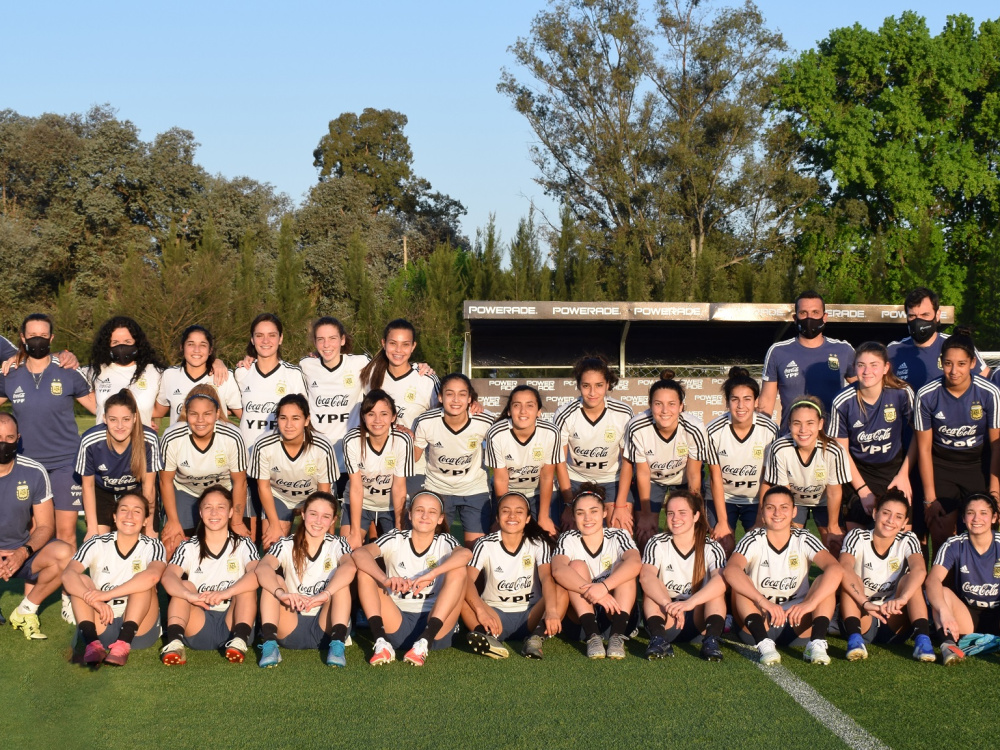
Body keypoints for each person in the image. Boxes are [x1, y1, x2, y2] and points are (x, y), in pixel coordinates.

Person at [0, 314, 96, 558]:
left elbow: (101, 409)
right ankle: (35, 592)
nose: (38, 341)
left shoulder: (68, 370)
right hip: (27, 465)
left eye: (43, 336)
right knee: (34, 532)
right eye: (32, 336)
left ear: (52, 338)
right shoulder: (10, 374)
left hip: (65, 465)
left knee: (66, 533)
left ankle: (68, 593)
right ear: (23, 338)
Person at [723, 485, 843, 666]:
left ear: (794, 511)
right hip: (759, 621)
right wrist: (764, 602)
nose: (777, 513)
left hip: (797, 623)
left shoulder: (804, 538)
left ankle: (817, 643)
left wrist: (809, 604)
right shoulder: (753, 539)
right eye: (770, 507)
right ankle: (764, 644)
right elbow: (731, 570)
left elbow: (835, 568)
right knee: (741, 582)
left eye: (784, 507)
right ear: (762, 513)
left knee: (823, 581)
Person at [352, 491, 471, 667]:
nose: (425, 516)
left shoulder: (444, 541)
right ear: (409, 514)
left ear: (440, 518)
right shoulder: (396, 538)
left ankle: (424, 643)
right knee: (365, 572)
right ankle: (381, 642)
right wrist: (384, 579)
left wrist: (431, 574)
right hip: (397, 620)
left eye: (432, 512)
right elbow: (360, 553)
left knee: (459, 570)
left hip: (436, 625)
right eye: (419, 510)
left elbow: (466, 554)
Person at [914, 330, 1000, 550]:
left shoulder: (989, 393)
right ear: (941, 362)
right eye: (948, 363)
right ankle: (945, 584)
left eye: (961, 364)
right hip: (942, 465)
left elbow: (996, 446)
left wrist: (995, 492)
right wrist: (929, 498)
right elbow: (924, 449)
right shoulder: (926, 395)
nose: (954, 371)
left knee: (980, 532)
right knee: (941, 531)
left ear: (972, 363)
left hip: (978, 465)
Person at [159, 485, 260, 665]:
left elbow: (258, 574)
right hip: (199, 625)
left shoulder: (243, 543)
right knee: (186, 586)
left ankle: (239, 642)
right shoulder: (188, 547)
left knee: (246, 586)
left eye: (220, 507)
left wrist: (226, 593)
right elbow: (168, 577)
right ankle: (175, 643)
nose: (214, 513)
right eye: (208, 507)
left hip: (234, 624)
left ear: (230, 512)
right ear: (200, 512)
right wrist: (190, 595)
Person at [61, 493, 165, 665]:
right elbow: (68, 575)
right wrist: (96, 602)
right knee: (82, 580)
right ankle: (92, 644)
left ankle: (123, 644)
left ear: (146, 520)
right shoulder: (96, 542)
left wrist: (105, 595)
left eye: (137, 511)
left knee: (143, 581)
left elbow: (153, 576)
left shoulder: (153, 545)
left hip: (140, 630)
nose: (129, 516)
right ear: (115, 517)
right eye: (124, 510)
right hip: (102, 620)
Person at [255, 491, 356, 668]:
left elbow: (350, 567)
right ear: (303, 514)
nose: (318, 521)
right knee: (275, 580)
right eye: (313, 514)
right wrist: (282, 595)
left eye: (325, 516)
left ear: (333, 521)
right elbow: (262, 568)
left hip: (326, 627)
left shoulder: (337, 544)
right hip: (291, 625)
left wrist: (325, 595)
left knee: (341, 581)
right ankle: (270, 645)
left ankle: (338, 644)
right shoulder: (286, 544)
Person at [462, 491, 565, 659]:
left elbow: (546, 578)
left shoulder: (538, 543)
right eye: (505, 511)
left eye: (519, 511)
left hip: (531, 614)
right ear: (497, 517)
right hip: (494, 615)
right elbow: (466, 581)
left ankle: (536, 638)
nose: (512, 516)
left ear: (527, 518)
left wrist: (552, 611)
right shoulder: (485, 544)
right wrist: (481, 611)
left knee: (561, 589)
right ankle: (485, 636)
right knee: (460, 591)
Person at [0, 413, 73, 639]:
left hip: (20, 551)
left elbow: (45, 526)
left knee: (66, 553)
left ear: (18, 438)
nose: (3, 443)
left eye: (9, 437)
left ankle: (26, 609)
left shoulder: (33, 471)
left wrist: (23, 552)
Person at [838, 490, 933, 662]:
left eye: (898, 517)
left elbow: (920, 570)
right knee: (850, 577)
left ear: (905, 522)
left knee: (910, 579)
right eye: (886, 513)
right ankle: (854, 639)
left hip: (893, 617)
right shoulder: (857, 536)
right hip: (863, 615)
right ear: (875, 513)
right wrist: (865, 603)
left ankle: (923, 641)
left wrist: (902, 599)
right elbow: (844, 567)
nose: (890, 521)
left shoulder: (908, 539)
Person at [233, 313, 307, 534]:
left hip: (277, 466)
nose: (266, 341)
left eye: (272, 335)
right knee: (248, 535)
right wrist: (217, 362)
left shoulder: (293, 374)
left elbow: (303, 418)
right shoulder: (240, 372)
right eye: (260, 335)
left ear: (281, 338)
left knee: (272, 537)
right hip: (246, 462)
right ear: (252, 339)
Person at [829, 343, 915, 530]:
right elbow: (841, 451)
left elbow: (920, 436)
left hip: (894, 471)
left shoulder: (902, 393)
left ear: (885, 368)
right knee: (856, 541)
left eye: (874, 365)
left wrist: (903, 475)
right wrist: (862, 490)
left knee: (900, 536)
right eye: (861, 365)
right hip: (858, 473)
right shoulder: (843, 401)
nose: (867, 371)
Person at [551, 484, 641, 660]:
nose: (587, 518)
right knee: (575, 565)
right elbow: (558, 569)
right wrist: (594, 591)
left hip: (616, 616)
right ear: (574, 516)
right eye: (580, 513)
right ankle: (593, 636)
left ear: (605, 513)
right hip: (581, 624)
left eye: (593, 511)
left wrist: (605, 587)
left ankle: (617, 637)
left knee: (622, 567)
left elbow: (635, 563)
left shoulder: (618, 535)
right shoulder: (568, 538)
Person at [619, 373, 708, 546]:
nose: (665, 411)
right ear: (650, 405)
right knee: (645, 531)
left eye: (672, 404)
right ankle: (648, 569)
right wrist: (645, 515)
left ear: (681, 406)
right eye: (658, 404)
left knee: (690, 529)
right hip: (652, 479)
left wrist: (693, 508)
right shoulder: (637, 426)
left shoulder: (694, 428)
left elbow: (694, 474)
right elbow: (643, 474)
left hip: (683, 480)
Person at [159, 385, 248, 557]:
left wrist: (236, 521)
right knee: (172, 543)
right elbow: (165, 481)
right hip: (186, 490)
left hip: (223, 491)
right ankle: (178, 582)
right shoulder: (172, 437)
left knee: (238, 542)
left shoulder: (232, 436)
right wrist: (173, 520)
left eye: (207, 414)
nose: (200, 420)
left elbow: (240, 481)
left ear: (217, 413)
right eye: (194, 414)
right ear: (186, 413)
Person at [640, 490, 727, 661]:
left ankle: (711, 640)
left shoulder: (711, 547)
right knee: (651, 589)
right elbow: (646, 576)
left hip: (698, 621)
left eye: (682, 513)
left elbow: (721, 580)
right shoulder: (657, 542)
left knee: (716, 591)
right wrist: (667, 604)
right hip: (667, 618)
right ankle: (658, 639)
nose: (675, 518)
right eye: (670, 513)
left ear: (696, 516)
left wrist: (689, 603)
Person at [412, 373, 495, 548]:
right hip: (438, 489)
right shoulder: (426, 421)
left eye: (462, 394)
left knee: (477, 547)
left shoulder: (484, 420)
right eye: (450, 394)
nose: (456, 399)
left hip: (474, 489)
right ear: (440, 397)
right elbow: (414, 457)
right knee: (437, 547)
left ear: (470, 398)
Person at [360, 319, 440, 499]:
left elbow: (441, 421)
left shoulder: (426, 380)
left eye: (405, 345)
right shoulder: (369, 376)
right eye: (393, 343)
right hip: (376, 466)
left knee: (407, 522)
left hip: (414, 466)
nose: (398, 350)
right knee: (378, 523)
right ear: (383, 344)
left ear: (413, 347)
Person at [553, 356, 634, 531]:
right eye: (586, 386)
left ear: (607, 385)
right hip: (575, 481)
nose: (592, 392)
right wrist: (568, 503)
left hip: (612, 480)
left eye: (599, 385)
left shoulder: (623, 413)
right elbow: (559, 462)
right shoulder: (565, 413)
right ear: (578, 386)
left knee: (621, 528)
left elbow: (627, 462)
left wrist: (620, 505)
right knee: (572, 532)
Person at [761, 396, 851, 553]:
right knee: (788, 544)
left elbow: (834, 491)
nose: (803, 430)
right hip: (794, 501)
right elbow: (784, 492)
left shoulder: (833, 450)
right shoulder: (780, 448)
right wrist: (787, 524)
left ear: (820, 424)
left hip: (823, 502)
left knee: (835, 544)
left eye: (810, 423)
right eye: (797, 424)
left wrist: (833, 526)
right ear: (789, 424)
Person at [248, 394, 338, 550]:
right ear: (277, 419)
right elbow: (263, 487)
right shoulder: (263, 444)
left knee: (320, 544)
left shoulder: (322, 446)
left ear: (307, 420)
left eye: (295, 418)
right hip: (279, 496)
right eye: (283, 418)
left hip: (314, 496)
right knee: (273, 545)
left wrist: (316, 518)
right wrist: (275, 525)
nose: (289, 424)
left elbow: (324, 492)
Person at [759, 290, 856, 432]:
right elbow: (766, 402)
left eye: (815, 312)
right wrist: (762, 436)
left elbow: (863, 389)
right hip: (791, 440)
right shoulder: (778, 352)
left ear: (825, 317)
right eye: (803, 313)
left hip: (832, 439)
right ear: (795, 318)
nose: (809, 318)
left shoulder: (844, 350)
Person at [705, 367, 778, 555]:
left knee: (761, 547)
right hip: (723, 498)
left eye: (747, 399)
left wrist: (761, 519)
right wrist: (722, 522)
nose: (740, 406)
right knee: (722, 545)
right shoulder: (713, 430)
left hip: (755, 499)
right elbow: (715, 477)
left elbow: (768, 478)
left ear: (756, 401)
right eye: (735, 399)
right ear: (727, 402)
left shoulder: (769, 429)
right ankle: (722, 583)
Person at [925, 493, 1000, 665]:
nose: (976, 518)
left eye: (983, 513)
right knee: (940, 592)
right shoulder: (954, 544)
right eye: (970, 513)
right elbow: (933, 580)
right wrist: (944, 611)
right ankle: (948, 646)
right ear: (964, 518)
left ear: (994, 517)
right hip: (967, 617)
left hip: (997, 614)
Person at [299, 317, 370, 497]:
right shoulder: (306, 366)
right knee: (320, 516)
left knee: (359, 516)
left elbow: (392, 367)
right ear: (314, 342)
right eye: (320, 339)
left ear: (343, 340)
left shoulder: (360, 363)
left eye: (332, 338)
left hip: (351, 457)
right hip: (318, 456)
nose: (326, 344)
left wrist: (419, 366)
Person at [77, 389, 161, 540]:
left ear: (135, 418)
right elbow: (87, 486)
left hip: (136, 491)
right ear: (104, 418)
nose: (120, 426)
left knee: (142, 541)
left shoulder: (149, 439)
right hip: (102, 492)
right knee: (100, 542)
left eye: (126, 419)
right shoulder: (90, 441)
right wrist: (91, 528)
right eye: (113, 419)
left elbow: (149, 487)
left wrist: (149, 526)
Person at [485, 385, 562, 535]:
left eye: (530, 405)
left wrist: (544, 517)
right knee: (506, 534)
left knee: (550, 535)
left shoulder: (551, 432)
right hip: (508, 492)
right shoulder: (496, 434)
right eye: (516, 405)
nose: (523, 411)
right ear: (509, 411)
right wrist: (503, 514)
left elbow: (547, 477)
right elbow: (501, 480)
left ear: (539, 411)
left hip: (540, 492)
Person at [341, 390, 413, 549]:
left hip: (390, 506)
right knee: (348, 549)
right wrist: (354, 532)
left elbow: (399, 487)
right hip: (361, 504)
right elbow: (356, 488)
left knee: (399, 550)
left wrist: (400, 529)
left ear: (393, 417)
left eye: (384, 414)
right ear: (363, 417)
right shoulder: (351, 440)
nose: (377, 420)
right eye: (371, 414)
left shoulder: (402, 440)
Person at [888, 287, 989, 390]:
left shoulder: (956, 344)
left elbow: (988, 381)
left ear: (937, 315)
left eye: (925, 315)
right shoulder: (893, 351)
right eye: (912, 316)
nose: (918, 321)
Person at [85, 316, 167, 427]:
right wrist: (62, 355)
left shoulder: (156, 373)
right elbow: (96, 408)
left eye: (127, 341)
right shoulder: (95, 371)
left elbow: (159, 411)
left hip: (141, 442)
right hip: (104, 443)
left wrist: (144, 420)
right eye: (115, 342)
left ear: (137, 343)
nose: (121, 347)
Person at [154, 325, 241, 426]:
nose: (196, 350)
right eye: (191, 344)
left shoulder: (224, 375)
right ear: (182, 347)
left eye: (203, 345)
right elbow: (158, 411)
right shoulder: (169, 375)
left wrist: (251, 359)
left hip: (216, 441)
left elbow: (242, 414)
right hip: (179, 441)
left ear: (210, 350)